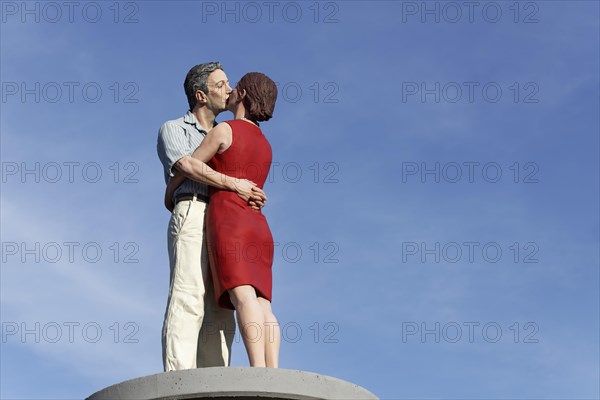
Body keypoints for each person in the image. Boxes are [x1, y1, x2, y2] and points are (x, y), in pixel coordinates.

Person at [157, 62, 267, 371]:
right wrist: (235, 184)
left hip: (224, 220)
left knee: (221, 305)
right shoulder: (174, 128)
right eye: (221, 85)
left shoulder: (228, 132)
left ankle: (214, 382)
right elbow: (187, 166)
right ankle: (179, 379)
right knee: (188, 294)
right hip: (193, 210)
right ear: (202, 95)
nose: (229, 90)